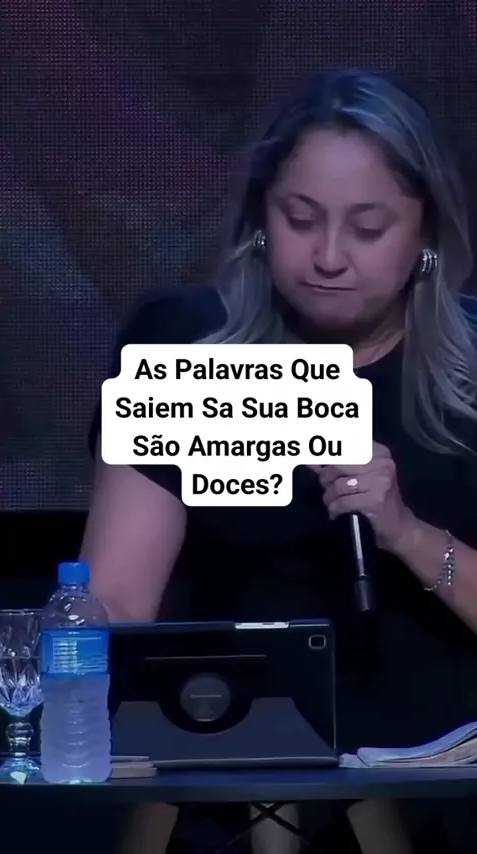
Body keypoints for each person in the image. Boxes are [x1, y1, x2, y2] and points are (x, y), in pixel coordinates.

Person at [83, 70, 477, 851]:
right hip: (225, 752)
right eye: (300, 219)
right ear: (261, 218)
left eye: (368, 228)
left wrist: (403, 532)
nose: (328, 256)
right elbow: (115, 598)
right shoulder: (185, 346)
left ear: (426, 234)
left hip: (442, 764)